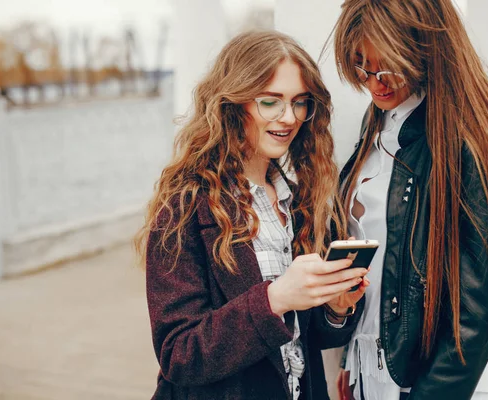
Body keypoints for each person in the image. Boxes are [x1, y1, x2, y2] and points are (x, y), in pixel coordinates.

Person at [328, 1, 488, 399]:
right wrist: (355, 358)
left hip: (435, 379)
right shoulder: (378, 121)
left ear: (428, 52)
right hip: (375, 368)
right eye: (362, 66)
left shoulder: (467, 142)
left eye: (389, 67)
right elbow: (376, 261)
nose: (375, 82)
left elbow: (475, 315)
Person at [135, 30, 371, 400]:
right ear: (233, 103)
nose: (289, 117)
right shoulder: (185, 206)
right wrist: (274, 299)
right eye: (270, 102)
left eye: (299, 102)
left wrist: (336, 310)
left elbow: (302, 344)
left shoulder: (299, 201)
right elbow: (178, 354)